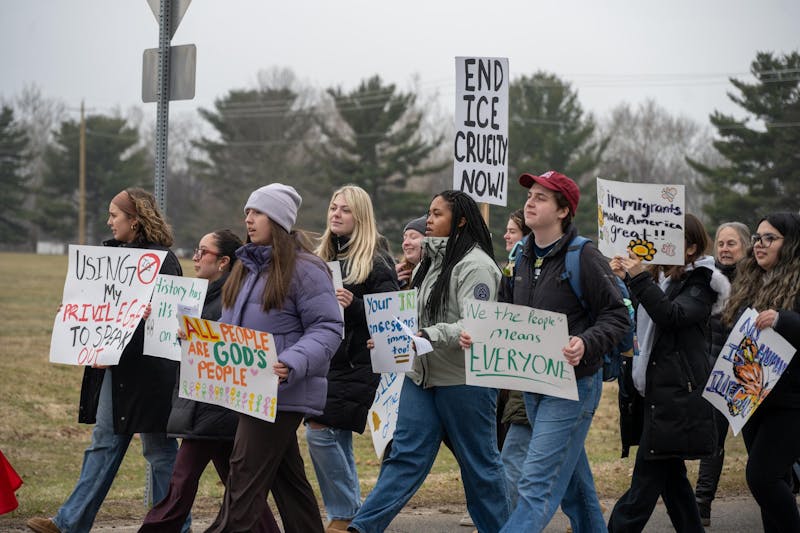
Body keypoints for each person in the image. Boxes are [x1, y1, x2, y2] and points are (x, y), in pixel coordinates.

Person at [333, 190, 510, 533]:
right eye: (428, 213)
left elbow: (477, 324)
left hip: (464, 381)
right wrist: (388, 338)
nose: (428, 220)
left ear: (460, 221)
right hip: (421, 379)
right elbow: (412, 319)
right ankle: (362, 528)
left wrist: (428, 337)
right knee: (403, 458)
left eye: (437, 214)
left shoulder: (477, 266)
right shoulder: (428, 264)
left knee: (480, 467)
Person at [472, 171, 628, 533]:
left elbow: (617, 315)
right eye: (530, 195)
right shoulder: (521, 255)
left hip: (571, 388)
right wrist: (480, 335)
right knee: (575, 487)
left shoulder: (584, 255)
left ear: (563, 211)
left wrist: (586, 342)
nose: (530, 201)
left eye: (542, 197)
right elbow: (506, 313)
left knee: (536, 484)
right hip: (532, 386)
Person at [27, 188, 184, 533]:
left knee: (159, 452)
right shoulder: (108, 256)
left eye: (115, 215)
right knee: (105, 444)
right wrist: (75, 317)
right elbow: (100, 309)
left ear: (135, 219)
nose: (109, 221)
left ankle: (171, 526)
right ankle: (69, 523)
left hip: (152, 374)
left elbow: (175, 321)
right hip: (116, 370)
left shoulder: (163, 260)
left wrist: (151, 316)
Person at [204, 183, 343, 533]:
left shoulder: (307, 269)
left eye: (258, 213)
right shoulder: (246, 266)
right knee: (288, 481)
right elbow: (233, 325)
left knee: (244, 474)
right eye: (247, 212)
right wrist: (198, 337)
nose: (248, 219)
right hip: (250, 390)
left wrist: (293, 361)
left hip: (282, 390)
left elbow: (328, 327)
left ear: (279, 220)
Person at [140, 229, 280, 533]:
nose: (195, 257)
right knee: (237, 488)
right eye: (196, 249)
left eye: (203, 252)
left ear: (223, 262)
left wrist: (200, 337)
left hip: (213, 410)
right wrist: (154, 320)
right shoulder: (199, 295)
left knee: (181, 483)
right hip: (210, 410)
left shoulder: (232, 301)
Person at [607, 213, 728, 533]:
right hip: (656, 393)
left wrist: (638, 277)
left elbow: (671, 315)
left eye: (669, 239)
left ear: (690, 248)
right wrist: (624, 278)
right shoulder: (660, 278)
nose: (660, 245)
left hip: (678, 396)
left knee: (641, 491)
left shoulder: (703, 282)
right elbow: (645, 312)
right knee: (673, 482)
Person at [307, 185, 399, 532]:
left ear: (360, 216)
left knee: (321, 431)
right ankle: (351, 512)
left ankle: (344, 514)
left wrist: (353, 304)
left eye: (345, 209)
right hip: (325, 361)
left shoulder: (376, 260)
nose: (336, 214)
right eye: (333, 207)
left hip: (357, 362)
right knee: (334, 436)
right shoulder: (322, 259)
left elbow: (391, 318)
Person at [720, 212, 800, 532]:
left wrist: (782, 320)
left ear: (790, 244)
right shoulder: (750, 279)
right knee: (773, 481)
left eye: (770, 238)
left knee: (761, 477)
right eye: (757, 238)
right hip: (754, 396)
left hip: (793, 400)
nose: (759, 244)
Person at [694, 221, 749, 526]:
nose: (725, 250)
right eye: (721, 244)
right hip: (716, 372)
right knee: (713, 441)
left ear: (746, 246)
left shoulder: (759, 282)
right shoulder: (706, 280)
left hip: (752, 374)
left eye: (732, 244)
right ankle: (702, 504)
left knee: (761, 443)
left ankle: (781, 488)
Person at [496, 208, 533, 508]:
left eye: (513, 231)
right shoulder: (509, 272)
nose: (506, 236)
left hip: (532, 373)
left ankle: (504, 522)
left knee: (513, 454)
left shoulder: (531, 272)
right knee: (569, 465)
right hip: (516, 374)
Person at [395, 215, 426, 290]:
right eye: (404, 238)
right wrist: (393, 284)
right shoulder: (399, 275)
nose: (405, 243)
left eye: (413, 237)